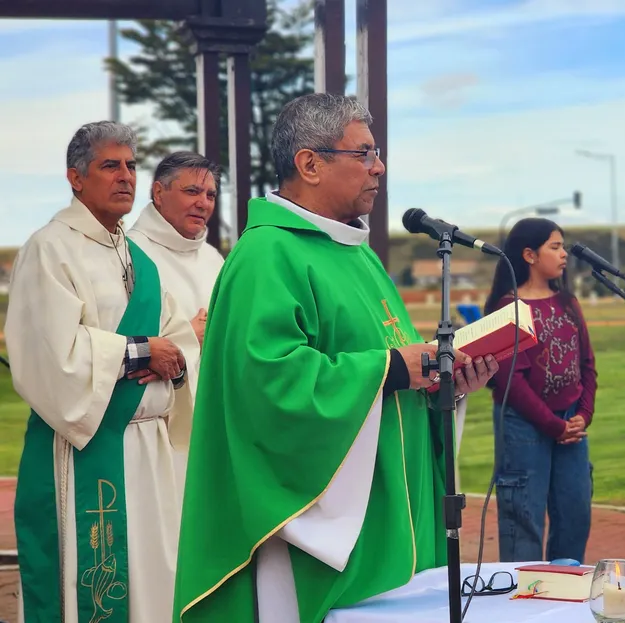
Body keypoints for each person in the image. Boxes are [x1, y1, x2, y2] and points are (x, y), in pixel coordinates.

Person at [171, 93, 499, 623]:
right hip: (328, 523)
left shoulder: (357, 255)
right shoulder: (267, 254)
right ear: (310, 164)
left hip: (394, 503)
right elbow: (268, 385)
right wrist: (392, 368)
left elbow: (398, 366)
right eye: (364, 153)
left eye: (377, 153)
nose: (379, 167)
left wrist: (446, 383)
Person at [7, 121, 198, 623]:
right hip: (87, 450)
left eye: (131, 166)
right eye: (110, 165)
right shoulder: (50, 248)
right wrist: (140, 352)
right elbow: (50, 354)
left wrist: (174, 362)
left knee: (155, 587)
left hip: (150, 453)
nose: (126, 176)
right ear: (76, 177)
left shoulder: (138, 259)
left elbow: (177, 341)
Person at [483, 218, 598, 564]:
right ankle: (524, 592)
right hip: (524, 427)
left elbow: (587, 364)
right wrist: (554, 426)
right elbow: (511, 381)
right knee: (524, 520)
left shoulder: (568, 302)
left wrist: (582, 415)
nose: (564, 254)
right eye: (555, 247)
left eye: (563, 246)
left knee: (575, 515)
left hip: (571, 425)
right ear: (529, 255)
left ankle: (566, 587)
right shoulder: (509, 308)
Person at [127, 151, 226, 492]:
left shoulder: (213, 258)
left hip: (213, 416)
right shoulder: (130, 253)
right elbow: (118, 339)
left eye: (210, 194)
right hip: (155, 424)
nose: (203, 203)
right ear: (159, 192)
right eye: (192, 192)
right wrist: (188, 336)